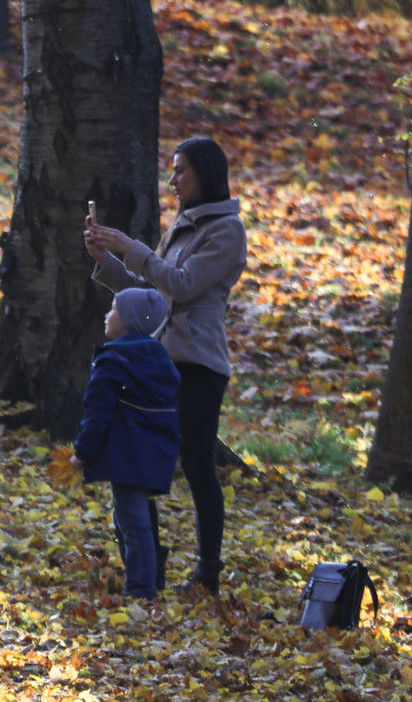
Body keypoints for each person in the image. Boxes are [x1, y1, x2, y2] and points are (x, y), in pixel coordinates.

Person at [84, 136, 247, 595]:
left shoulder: (227, 230)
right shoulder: (181, 226)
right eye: (172, 170)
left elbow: (184, 284)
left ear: (205, 175)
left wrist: (131, 245)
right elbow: (153, 295)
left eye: (181, 171)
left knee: (196, 462)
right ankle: (147, 567)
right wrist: (107, 259)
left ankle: (207, 573)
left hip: (198, 363)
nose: (172, 180)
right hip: (158, 360)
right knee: (139, 460)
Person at [70, 288, 180, 599]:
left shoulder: (115, 361)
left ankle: (142, 589)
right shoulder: (159, 359)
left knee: (133, 525)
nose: (107, 315)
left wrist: (82, 453)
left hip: (126, 455)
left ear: (130, 319)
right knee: (131, 521)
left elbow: (98, 414)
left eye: (114, 309)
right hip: (154, 454)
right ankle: (143, 580)